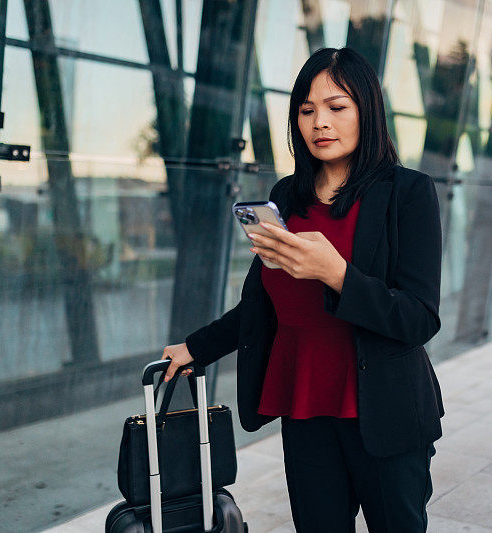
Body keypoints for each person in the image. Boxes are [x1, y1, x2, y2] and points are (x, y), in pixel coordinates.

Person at [161, 46, 444, 532]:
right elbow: (262, 304)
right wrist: (196, 347)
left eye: (337, 107)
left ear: (367, 112)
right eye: (307, 109)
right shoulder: (285, 197)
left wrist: (336, 273)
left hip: (383, 410)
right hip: (306, 403)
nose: (320, 123)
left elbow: (419, 317)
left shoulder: (408, 192)